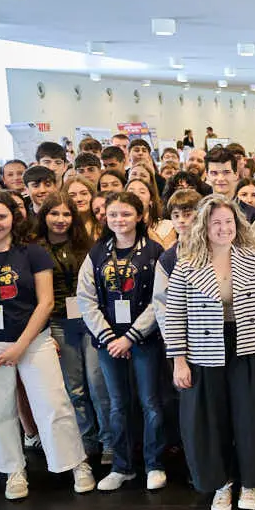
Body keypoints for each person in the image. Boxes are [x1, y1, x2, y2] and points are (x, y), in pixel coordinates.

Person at [0, 191, 96, 500]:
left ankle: (75, 463)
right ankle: (13, 470)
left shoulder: (32, 252)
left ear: (12, 218)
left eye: (1, 216)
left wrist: (21, 345)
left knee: (54, 403)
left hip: (33, 341)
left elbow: (45, 303)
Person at [165, 195, 255, 510]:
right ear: (204, 227)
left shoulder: (253, 258)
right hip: (205, 353)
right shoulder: (187, 263)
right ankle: (222, 485)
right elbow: (174, 314)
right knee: (209, 421)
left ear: (237, 225)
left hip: (249, 346)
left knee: (252, 418)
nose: (223, 228)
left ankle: (250, 483)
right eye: (216, 222)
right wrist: (178, 360)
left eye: (228, 222)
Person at [76, 191, 167, 492]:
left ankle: (154, 463)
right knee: (116, 405)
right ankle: (122, 466)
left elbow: (159, 300)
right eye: (113, 214)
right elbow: (86, 299)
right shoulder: (97, 253)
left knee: (150, 403)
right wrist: (109, 336)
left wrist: (130, 337)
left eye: (126, 214)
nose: (120, 220)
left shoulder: (155, 251)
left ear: (140, 216)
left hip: (145, 340)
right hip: (107, 341)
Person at [36, 193, 109, 460]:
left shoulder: (86, 245)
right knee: (74, 387)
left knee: (98, 382)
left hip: (89, 320)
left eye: (66, 214)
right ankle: (86, 441)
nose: (60, 219)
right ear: (44, 216)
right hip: (56, 322)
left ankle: (109, 441)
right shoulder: (34, 249)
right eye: (54, 213)